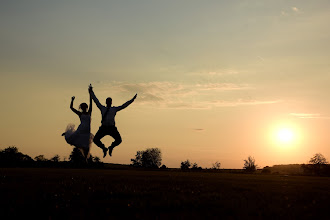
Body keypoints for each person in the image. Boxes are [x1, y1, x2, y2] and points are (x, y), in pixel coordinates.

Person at [89, 84, 137, 157]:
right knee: (95, 140)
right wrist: (91, 92)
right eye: (107, 101)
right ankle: (104, 148)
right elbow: (96, 100)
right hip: (104, 128)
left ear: (111, 102)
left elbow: (124, 106)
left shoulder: (114, 109)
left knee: (119, 140)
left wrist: (132, 100)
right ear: (106, 102)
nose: (108, 102)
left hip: (112, 128)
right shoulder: (102, 108)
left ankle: (111, 147)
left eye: (109, 101)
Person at [62, 91, 94, 160]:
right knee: (75, 139)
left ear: (86, 107)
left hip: (87, 132)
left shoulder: (89, 112)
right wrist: (72, 100)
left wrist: (90, 94)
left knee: (86, 148)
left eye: (85, 107)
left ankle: (85, 159)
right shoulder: (80, 114)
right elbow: (71, 107)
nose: (84, 108)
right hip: (81, 130)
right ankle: (66, 133)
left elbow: (91, 103)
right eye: (83, 107)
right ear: (81, 108)